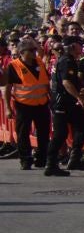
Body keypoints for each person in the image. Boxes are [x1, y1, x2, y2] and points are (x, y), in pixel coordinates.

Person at [4, 40, 52, 171]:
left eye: (34, 50)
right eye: (30, 51)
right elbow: (8, 88)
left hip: (41, 104)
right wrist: (8, 108)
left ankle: (41, 158)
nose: (34, 52)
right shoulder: (14, 66)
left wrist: (51, 99)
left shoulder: (39, 62)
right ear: (22, 52)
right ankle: (25, 159)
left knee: (43, 132)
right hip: (23, 105)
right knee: (23, 133)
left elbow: (46, 83)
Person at [48, 36, 84, 173]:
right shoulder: (67, 60)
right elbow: (66, 82)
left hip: (67, 102)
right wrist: (79, 97)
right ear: (73, 46)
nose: (82, 47)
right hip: (62, 103)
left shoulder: (66, 60)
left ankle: (75, 159)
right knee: (60, 134)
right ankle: (50, 164)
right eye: (80, 44)